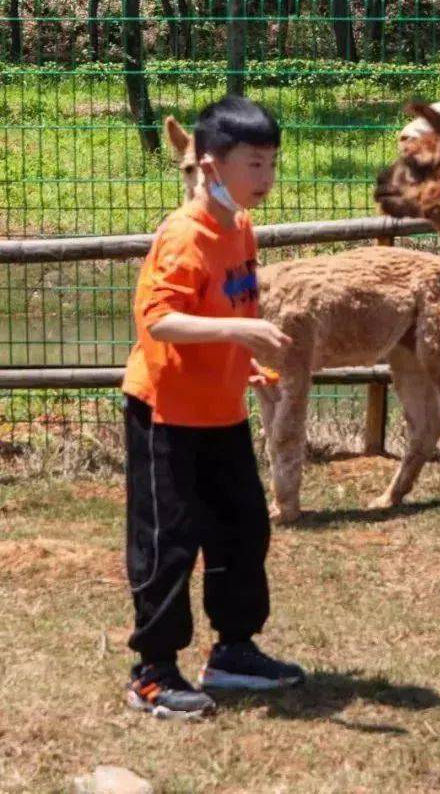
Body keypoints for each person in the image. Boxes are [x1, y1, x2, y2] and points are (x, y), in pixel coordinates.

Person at [120, 95, 303, 719]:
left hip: (221, 409)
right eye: (254, 164)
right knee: (169, 542)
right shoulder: (182, 236)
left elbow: (233, 306)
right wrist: (237, 336)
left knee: (243, 529)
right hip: (167, 413)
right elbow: (159, 321)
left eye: (273, 163)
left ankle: (234, 652)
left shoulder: (241, 228)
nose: (267, 178)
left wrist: (244, 359)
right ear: (210, 164)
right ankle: (153, 670)